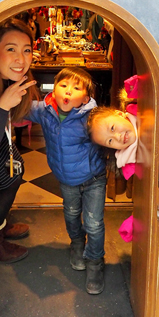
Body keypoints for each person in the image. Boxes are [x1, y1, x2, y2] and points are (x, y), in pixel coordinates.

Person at [26, 67, 107, 294]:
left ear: (86, 98)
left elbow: (114, 127)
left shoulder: (92, 117)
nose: (68, 91)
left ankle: (95, 261)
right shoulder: (45, 111)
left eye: (76, 88)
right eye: (63, 85)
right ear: (54, 89)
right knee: (71, 215)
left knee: (93, 223)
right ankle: (77, 244)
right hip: (66, 179)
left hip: (94, 178)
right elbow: (20, 109)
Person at [0, 18, 39, 264]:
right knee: (8, 177)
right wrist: (3, 106)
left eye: (27, 50)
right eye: (11, 49)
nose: (21, 59)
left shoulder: (6, 80)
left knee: (17, 165)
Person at [87, 75, 139, 181]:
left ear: (120, 114)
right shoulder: (127, 161)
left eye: (112, 128)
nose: (117, 137)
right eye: (110, 141)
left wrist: (133, 90)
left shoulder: (137, 108)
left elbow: (144, 85)